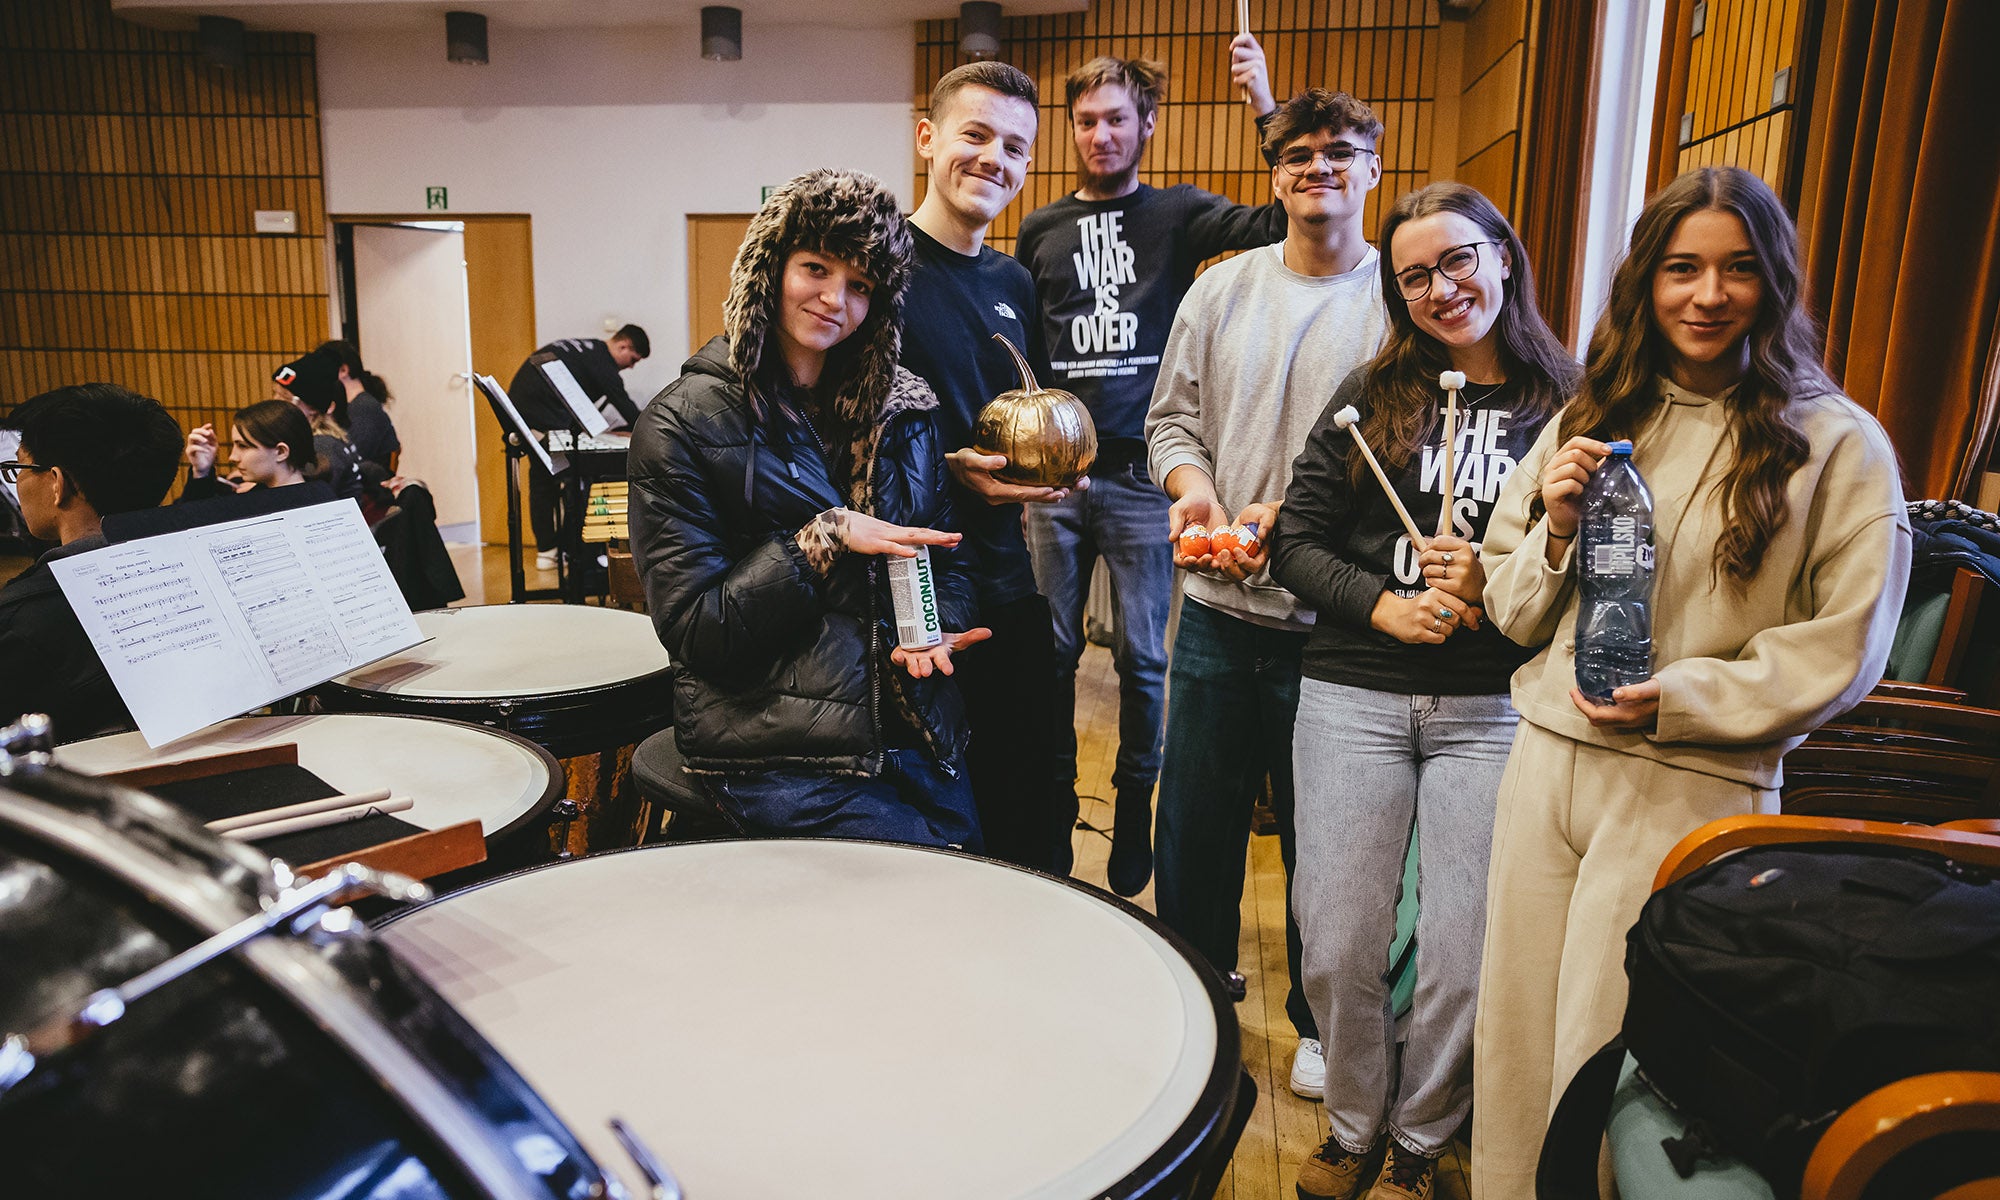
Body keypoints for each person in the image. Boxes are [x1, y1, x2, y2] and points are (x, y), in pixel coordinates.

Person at [1470, 166, 1912, 1199]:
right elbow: (1508, 604)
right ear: (1643, 284)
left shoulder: (1836, 443)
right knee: (1514, 1043)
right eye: (1679, 269)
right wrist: (1559, 528)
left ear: (1774, 283)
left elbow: (1843, 646)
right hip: (1545, 761)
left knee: (1603, 1059)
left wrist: (1687, 694)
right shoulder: (1590, 412)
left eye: (1735, 270)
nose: (1705, 296)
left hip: (1690, 786)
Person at [1271, 182, 1578, 1200]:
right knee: (1340, 936)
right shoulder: (1370, 395)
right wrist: (1378, 606)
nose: (1439, 288)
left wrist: (1498, 589)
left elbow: (1594, 568)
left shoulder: (1568, 403)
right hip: (1353, 692)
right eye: (1413, 277)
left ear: (1500, 254)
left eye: (1456, 261)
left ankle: (1418, 1140)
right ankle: (1352, 1127)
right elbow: (1293, 541)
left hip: (1492, 709)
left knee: (1460, 950)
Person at [1145, 87, 1390, 1102]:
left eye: (1338, 151)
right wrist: (1193, 493)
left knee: (1319, 841)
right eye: (1294, 154)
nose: (1315, 169)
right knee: (1191, 826)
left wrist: (1281, 528)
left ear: (1372, 167)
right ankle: (1190, 995)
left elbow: (1397, 463)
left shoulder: (1397, 302)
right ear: (1273, 172)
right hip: (1212, 610)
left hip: (1327, 622)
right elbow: (1171, 425)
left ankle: (1317, 1023)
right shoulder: (1219, 290)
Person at [629, 169, 987, 847]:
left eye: (859, 285)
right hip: (772, 749)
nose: (834, 299)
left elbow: (949, 562)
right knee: (919, 894)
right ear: (770, 269)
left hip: (914, 731)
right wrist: (823, 538)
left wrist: (939, 630)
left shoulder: (906, 411)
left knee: (966, 884)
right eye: (815, 268)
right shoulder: (682, 425)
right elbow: (702, 632)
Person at [1012, 41, 1288, 900]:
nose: (1100, 134)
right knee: (1050, 655)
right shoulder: (1041, 229)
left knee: (1141, 660)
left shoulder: (1178, 213)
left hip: (1138, 481)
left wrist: (1263, 103)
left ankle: (1135, 822)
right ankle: (1050, 824)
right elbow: (1022, 342)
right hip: (1054, 481)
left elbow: (1279, 222)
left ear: (1147, 126)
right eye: (1086, 121)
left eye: (1116, 120)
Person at [898, 60, 1073, 872]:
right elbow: (836, 432)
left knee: (1036, 815)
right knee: (939, 826)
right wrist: (946, 469)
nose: (992, 158)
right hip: (912, 592)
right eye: (975, 134)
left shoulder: (1010, 279)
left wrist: (1050, 467)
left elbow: (1021, 412)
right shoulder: (878, 265)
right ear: (928, 137)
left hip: (1006, 578)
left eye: (1014, 145)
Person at [0, 384, 183, 739]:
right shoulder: (192, 572)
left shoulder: (18, 622)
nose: (16, 481)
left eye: (19, 467)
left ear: (57, 483)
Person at [508, 325, 650, 570]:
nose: (631, 366)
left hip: (524, 407)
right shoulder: (602, 362)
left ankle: (550, 550)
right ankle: (569, 552)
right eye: (633, 359)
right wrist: (652, 432)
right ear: (623, 345)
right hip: (538, 413)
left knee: (544, 478)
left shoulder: (588, 349)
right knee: (562, 478)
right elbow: (625, 406)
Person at [270, 346, 365, 499]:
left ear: (313, 407)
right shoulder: (315, 442)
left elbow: (306, 501)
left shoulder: (322, 447)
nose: (275, 402)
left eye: (285, 398)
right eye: (275, 394)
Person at [181, 400, 316, 500]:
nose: (232, 457)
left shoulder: (320, 504)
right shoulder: (250, 497)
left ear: (281, 452)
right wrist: (201, 472)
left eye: (243, 446)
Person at [319, 339, 400, 472]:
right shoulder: (354, 405)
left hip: (365, 487)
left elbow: (351, 457)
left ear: (343, 370)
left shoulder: (364, 408)